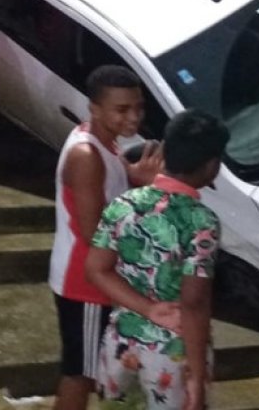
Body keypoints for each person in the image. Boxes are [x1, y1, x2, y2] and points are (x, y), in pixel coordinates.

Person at [86, 110, 228, 410]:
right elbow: (194, 303)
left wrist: (148, 308)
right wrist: (197, 375)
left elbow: (97, 269)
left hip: (121, 342)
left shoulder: (122, 204)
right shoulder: (201, 221)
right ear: (212, 165)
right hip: (173, 353)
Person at [50, 65, 163, 410]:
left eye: (138, 107)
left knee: (87, 368)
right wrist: (143, 200)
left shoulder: (104, 143)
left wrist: (133, 180)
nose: (134, 117)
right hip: (83, 281)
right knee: (80, 374)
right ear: (95, 108)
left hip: (92, 276)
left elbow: (110, 192)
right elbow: (93, 230)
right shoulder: (86, 155)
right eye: (122, 109)